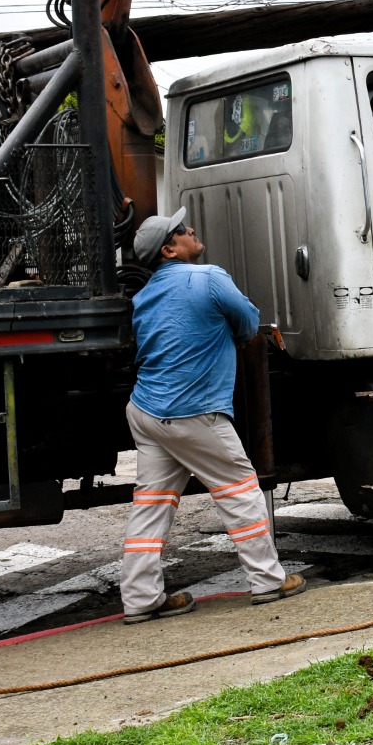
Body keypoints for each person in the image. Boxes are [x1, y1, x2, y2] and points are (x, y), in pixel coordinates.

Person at [119, 208, 305, 624]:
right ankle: (269, 581)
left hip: (146, 411)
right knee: (240, 493)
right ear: (170, 249)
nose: (192, 230)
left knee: (151, 505)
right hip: (195, 412)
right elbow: (248, 322)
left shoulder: (143, 296)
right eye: (183, 230)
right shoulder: (208, 277)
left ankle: (140, 600)